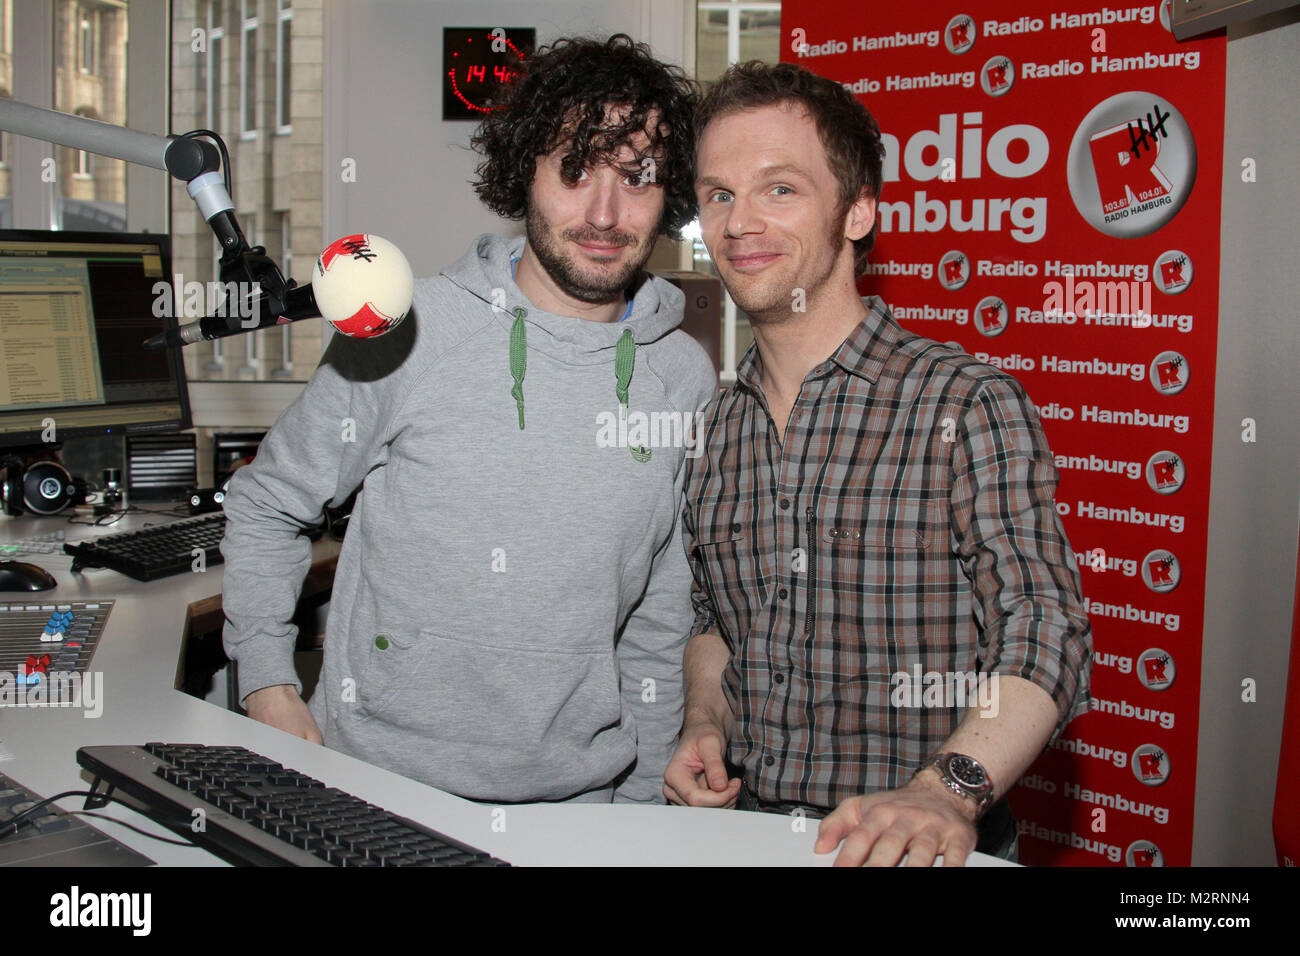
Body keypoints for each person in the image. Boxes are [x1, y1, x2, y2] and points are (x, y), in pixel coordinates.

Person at [221, 34, 716, 806]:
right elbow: (267, 503)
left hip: (578, 807)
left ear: (670, 195)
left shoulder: (681, 378)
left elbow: (660, 609)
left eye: (638, 178)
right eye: (575, 169)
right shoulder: (405, 328)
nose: (605, 212)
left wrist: (644, 803)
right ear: (525, 171)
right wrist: (267, 684)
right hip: (371, 787)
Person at [664, 61, 1092, 863]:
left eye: (779, 189)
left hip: (919, 843)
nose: (738, 223)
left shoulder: (965, 404)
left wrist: (945, 790)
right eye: (719, 194)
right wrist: (704, 722)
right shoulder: (716, 427)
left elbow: (1045, 628)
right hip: (745, 831)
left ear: (858, 211)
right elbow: (717, 623)